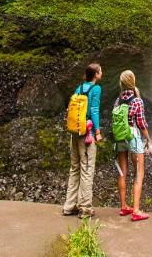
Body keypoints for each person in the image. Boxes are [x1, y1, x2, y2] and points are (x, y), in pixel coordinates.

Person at [62, 62, 102, 217]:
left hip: (75, 133)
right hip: (87, 133)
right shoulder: (96, 89)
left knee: (74, 168)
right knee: (86, 168)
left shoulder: (79, 88)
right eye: (100, 71)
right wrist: (97, 131)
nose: (101, 73)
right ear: (96, 74)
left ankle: (69, 205)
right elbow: (94, 110)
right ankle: (84, 208)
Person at [113, 69, 151, 221]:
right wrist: (148, 139)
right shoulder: (136, 100)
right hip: (133, 136)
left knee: (122, 172)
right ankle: (136, 210)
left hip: (120, 137)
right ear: (132, 81)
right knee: (139, 173)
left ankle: (124, 207)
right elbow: (141, 124)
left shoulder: (117, 101)